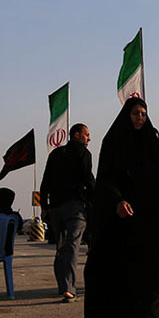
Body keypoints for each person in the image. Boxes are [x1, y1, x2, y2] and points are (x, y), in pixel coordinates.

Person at [83, 97, 159, 318]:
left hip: (150, 216)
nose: (140, 118)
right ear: (127, 115)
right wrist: (118, 201)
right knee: (125, 271)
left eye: (143, 113)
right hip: (123, 219)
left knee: (151, 270)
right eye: (136, 113)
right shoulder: (113, 142)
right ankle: (122, 317)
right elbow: (105, 178)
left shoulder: (151, 141)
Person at [39, 122, 94, 302]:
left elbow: (45, 181)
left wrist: (44, 206)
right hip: (75, 207)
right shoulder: (83, 153)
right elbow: (88, 178)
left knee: (61, 248)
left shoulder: (55, 154)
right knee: (72, 246)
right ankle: (69, 288)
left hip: (55, 208)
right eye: (86, 135)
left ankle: (63, 286)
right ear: (76, 135)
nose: (89, 138)